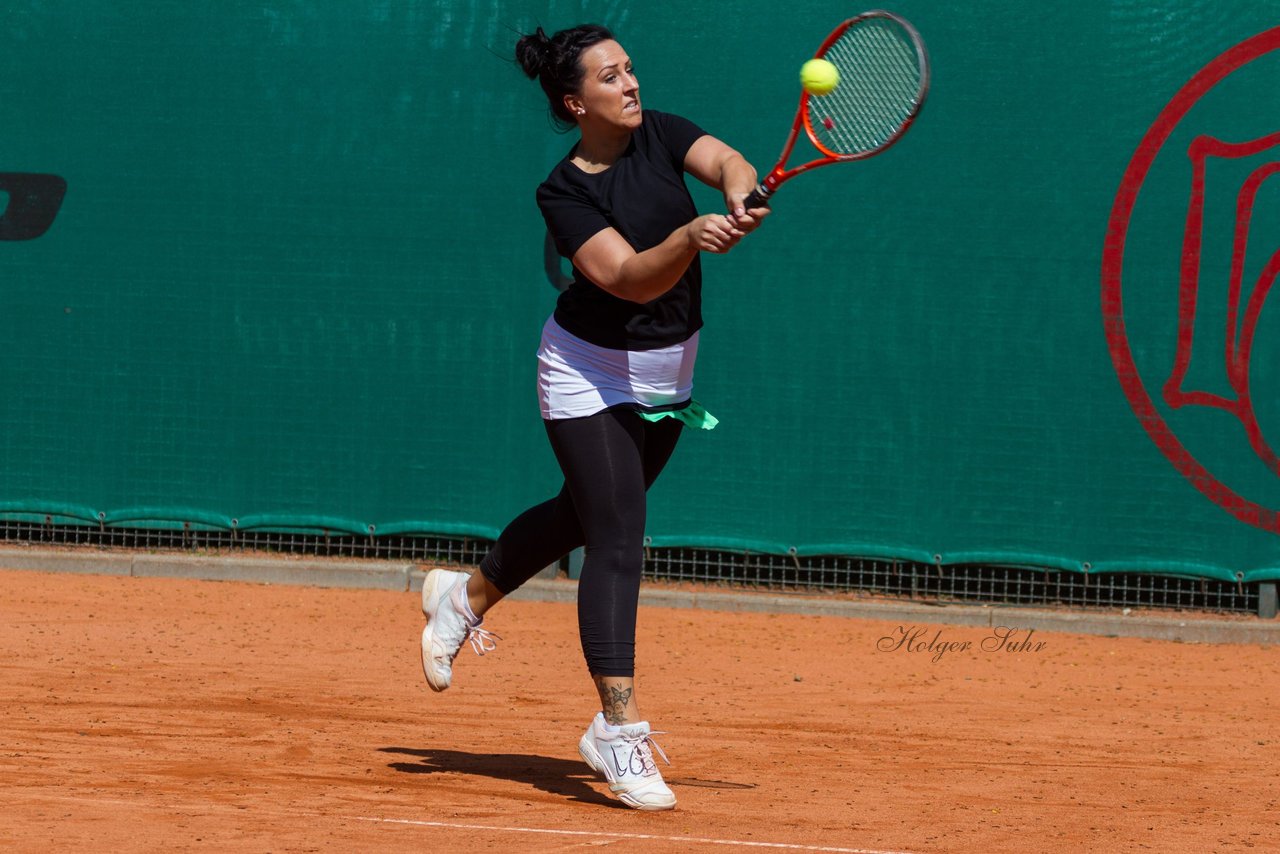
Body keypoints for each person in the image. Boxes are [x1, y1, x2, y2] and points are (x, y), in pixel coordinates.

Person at [419, 23, 768, 811]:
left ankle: (463, 599)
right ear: (577, 102)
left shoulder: (663, 133)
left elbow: (727, 161)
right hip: (586, 368)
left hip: (668, 373)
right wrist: (688, 234)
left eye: (632, 68)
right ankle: (617, 730)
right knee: (617, 532)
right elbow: (631, 281)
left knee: (582, 514)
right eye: (611, 78)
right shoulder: (564, 191)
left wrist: (738, 192)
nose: (632, 84)